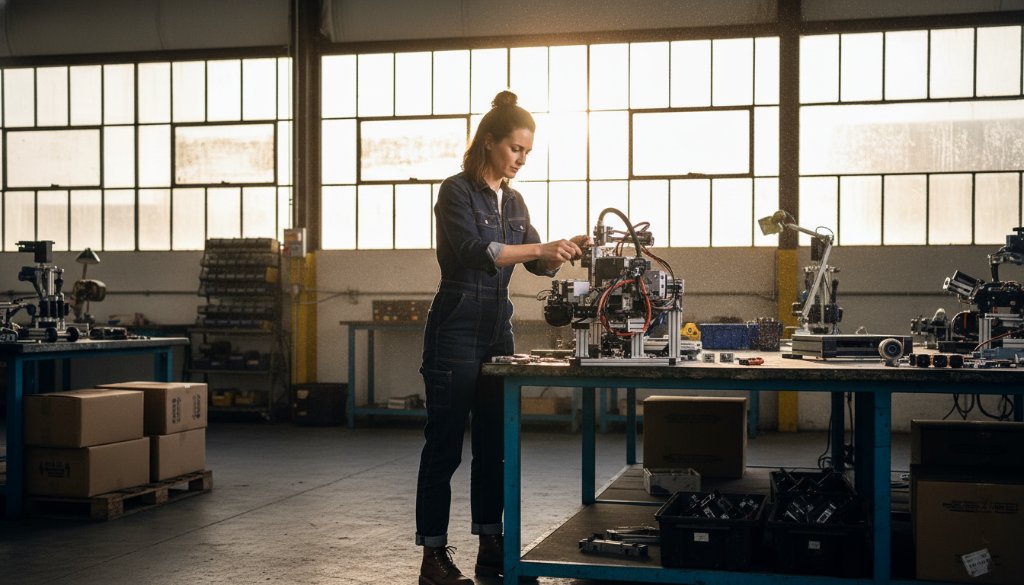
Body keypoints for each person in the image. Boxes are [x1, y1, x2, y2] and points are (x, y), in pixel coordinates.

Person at [415, 90, 588, 585]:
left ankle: (492, 545)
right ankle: (433, 557)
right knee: (445, 446)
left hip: (497, 329)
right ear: (489, 143)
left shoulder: (513, 201)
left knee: (494, 445)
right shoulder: (456, 192)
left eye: (528, 153)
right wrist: (540, 245)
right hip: (455, 327)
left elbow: (534, 260)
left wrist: (564, 250)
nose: (521, 160)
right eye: (516, 149)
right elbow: (474, 250)